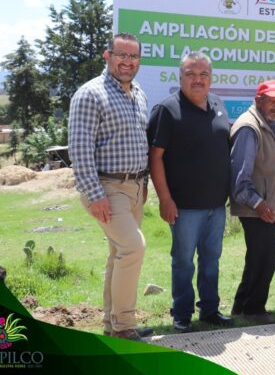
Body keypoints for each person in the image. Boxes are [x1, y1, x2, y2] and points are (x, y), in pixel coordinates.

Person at [68, 33, 152, 341]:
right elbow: (79, 147)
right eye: (122, 55)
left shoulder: (139, 94)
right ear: (108, 55)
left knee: (119, 253)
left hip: (135, 187)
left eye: (133, 57)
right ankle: (124, 327)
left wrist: (144, 184)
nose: (127, 62)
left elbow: (140, 141)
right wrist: (94, 194)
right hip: (106, 187)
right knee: (133, 247)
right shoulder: (91, 94)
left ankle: (111, 326)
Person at [147, 51, 234, 332]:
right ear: (180, 77)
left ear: (211, 78)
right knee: (183, 262)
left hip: (216, 206)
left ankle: (209, 310)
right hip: (183, 207)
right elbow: (155, 157)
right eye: (191, 74)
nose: (198, 80)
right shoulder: (167, 110)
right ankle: (182, 313)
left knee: (211, 261)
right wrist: (165, 199)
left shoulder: (219, 104)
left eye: (203, 74)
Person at [229, 80, 275, 324]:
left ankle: (242, 305)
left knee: (258, 255)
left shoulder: (266, 123)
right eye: (271, 101)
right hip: (257, 207)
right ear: (258, 100)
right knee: (266, 254)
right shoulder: (249, 127)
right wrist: (259, 204)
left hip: (265, 206)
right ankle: (254, 309)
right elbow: (239, 177)